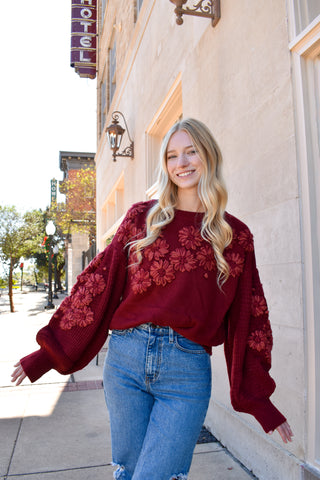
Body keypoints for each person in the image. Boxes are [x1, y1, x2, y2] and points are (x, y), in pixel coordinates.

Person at [12, 118, 293, 480]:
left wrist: (258, 399)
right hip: (125, 362)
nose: (182, 162)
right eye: (172, 155)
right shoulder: (140, 219)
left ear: (209, 156)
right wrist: (47, 355)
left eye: (191, 151)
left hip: (186, 373)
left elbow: (250, 317)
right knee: (128, 473)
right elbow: (97, 286)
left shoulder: (233, 235)